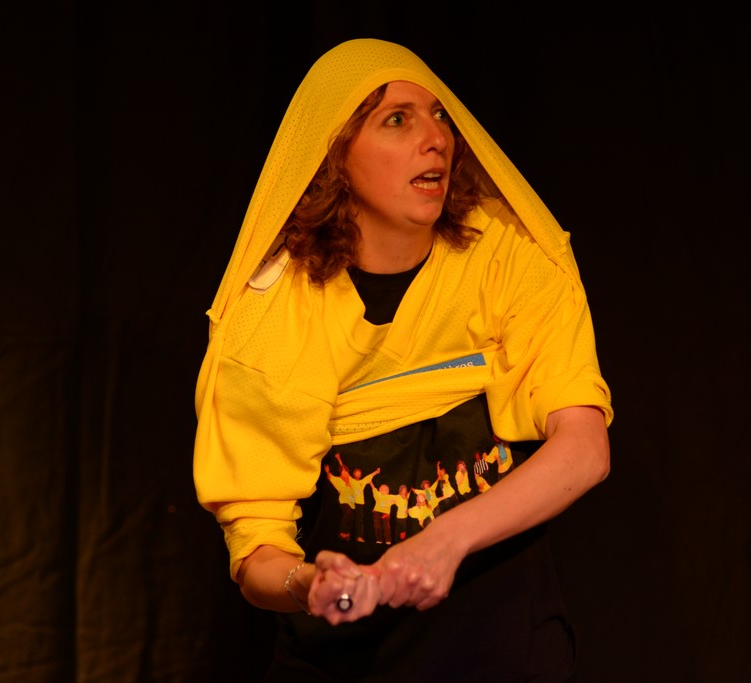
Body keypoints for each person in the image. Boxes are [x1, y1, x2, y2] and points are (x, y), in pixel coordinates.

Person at [193, 38, 613, 681]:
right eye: (397, 119)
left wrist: (444, 541)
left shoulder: (508, 255)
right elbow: (256, 552)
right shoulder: (273, 316)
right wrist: (309, 584)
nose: (436, 138)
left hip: (505, 659)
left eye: (440, 115)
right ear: (333, 154)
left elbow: (584, 448)